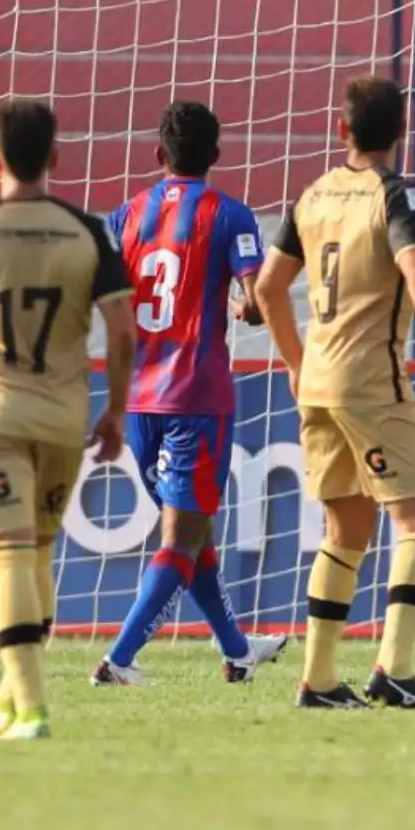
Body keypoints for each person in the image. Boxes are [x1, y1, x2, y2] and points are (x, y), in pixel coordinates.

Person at [0, 98, 136, 742]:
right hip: (64, 417)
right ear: (56, 158)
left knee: (9, 556)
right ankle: (10, 697)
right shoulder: (88, 232)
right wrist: (117, 408)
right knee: (37, 552)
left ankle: (34, 710)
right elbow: (122, 332)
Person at [252, 74, 415, 710]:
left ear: (340, 130)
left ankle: (317, 680)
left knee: (344, 527)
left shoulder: (313, 194)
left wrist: (294, 361)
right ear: (401, 131)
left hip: (317, 379)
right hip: (371, 380)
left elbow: (266, 291)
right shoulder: (394, 196)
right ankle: (393, 669)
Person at [92, 101, 288, 686]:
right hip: (194, 400)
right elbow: (254, 301)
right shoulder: (231, 216)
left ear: (158, 154)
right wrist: (237, 303)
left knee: (191, 530)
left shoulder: (124, 215)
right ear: (216, 156)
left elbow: (106, 298)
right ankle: (118, 660)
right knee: (182, 535)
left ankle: (237, 650)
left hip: (137, 401)